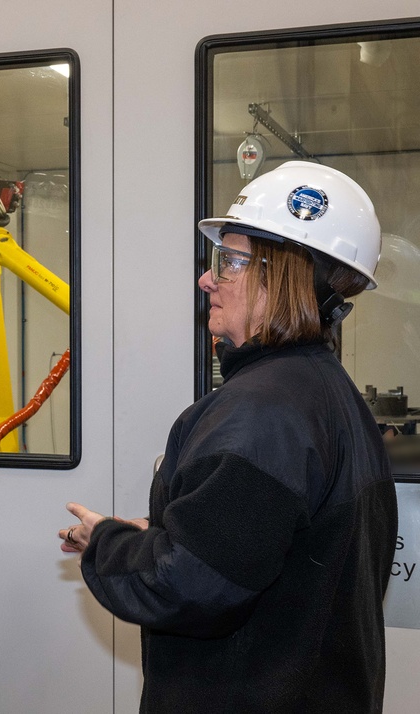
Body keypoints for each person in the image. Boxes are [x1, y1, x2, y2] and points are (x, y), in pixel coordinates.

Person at [59, 161, 398, 712]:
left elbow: (191, 584)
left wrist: (108, 544)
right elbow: (272, 544)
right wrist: (159, 532)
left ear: (283, 277)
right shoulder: (326, 393)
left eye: (232, 261)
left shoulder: (261, 411)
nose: (208, 278)